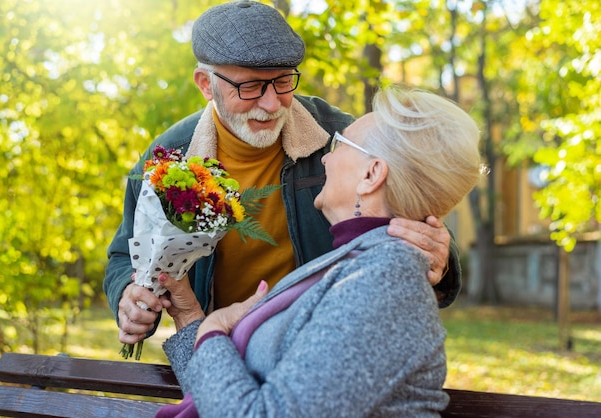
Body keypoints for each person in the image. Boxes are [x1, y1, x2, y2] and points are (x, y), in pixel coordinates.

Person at [104, 0, 460, 350]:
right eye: (251, 87)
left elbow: (415, 203)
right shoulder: (169, 159)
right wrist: (127, 295)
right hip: (213, 346)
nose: (272, 103)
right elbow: (125, 254)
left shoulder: (339, 139)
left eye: (283, 81)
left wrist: (439, 255)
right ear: (206, 84)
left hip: (324, 347)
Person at [154, 84, 482, 417]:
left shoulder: (384, 282)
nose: (326, 156)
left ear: (371, 175)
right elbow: (220, 400)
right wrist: (190, 318)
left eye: (339, 144)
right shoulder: (352, 263)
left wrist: (213, 331)